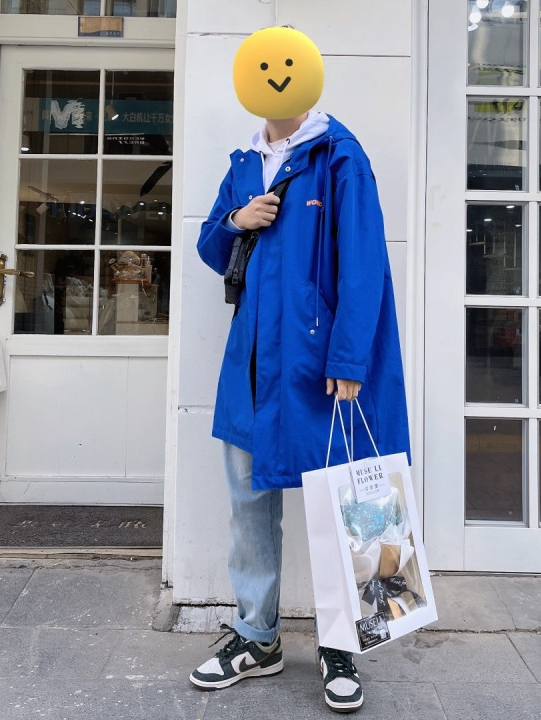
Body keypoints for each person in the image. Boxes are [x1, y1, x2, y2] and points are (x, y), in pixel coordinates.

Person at [190, 27, 410, 714]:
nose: (276, 75)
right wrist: (238, 218)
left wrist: (349, 359)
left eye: (287, 66)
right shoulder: (244, 162)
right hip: (253, 364)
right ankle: (257, 637)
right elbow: (209, 246)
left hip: (320, 368)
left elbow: (365, 264)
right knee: (249, 504)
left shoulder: (339, 155)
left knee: (338, 504)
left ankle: (342, 642)